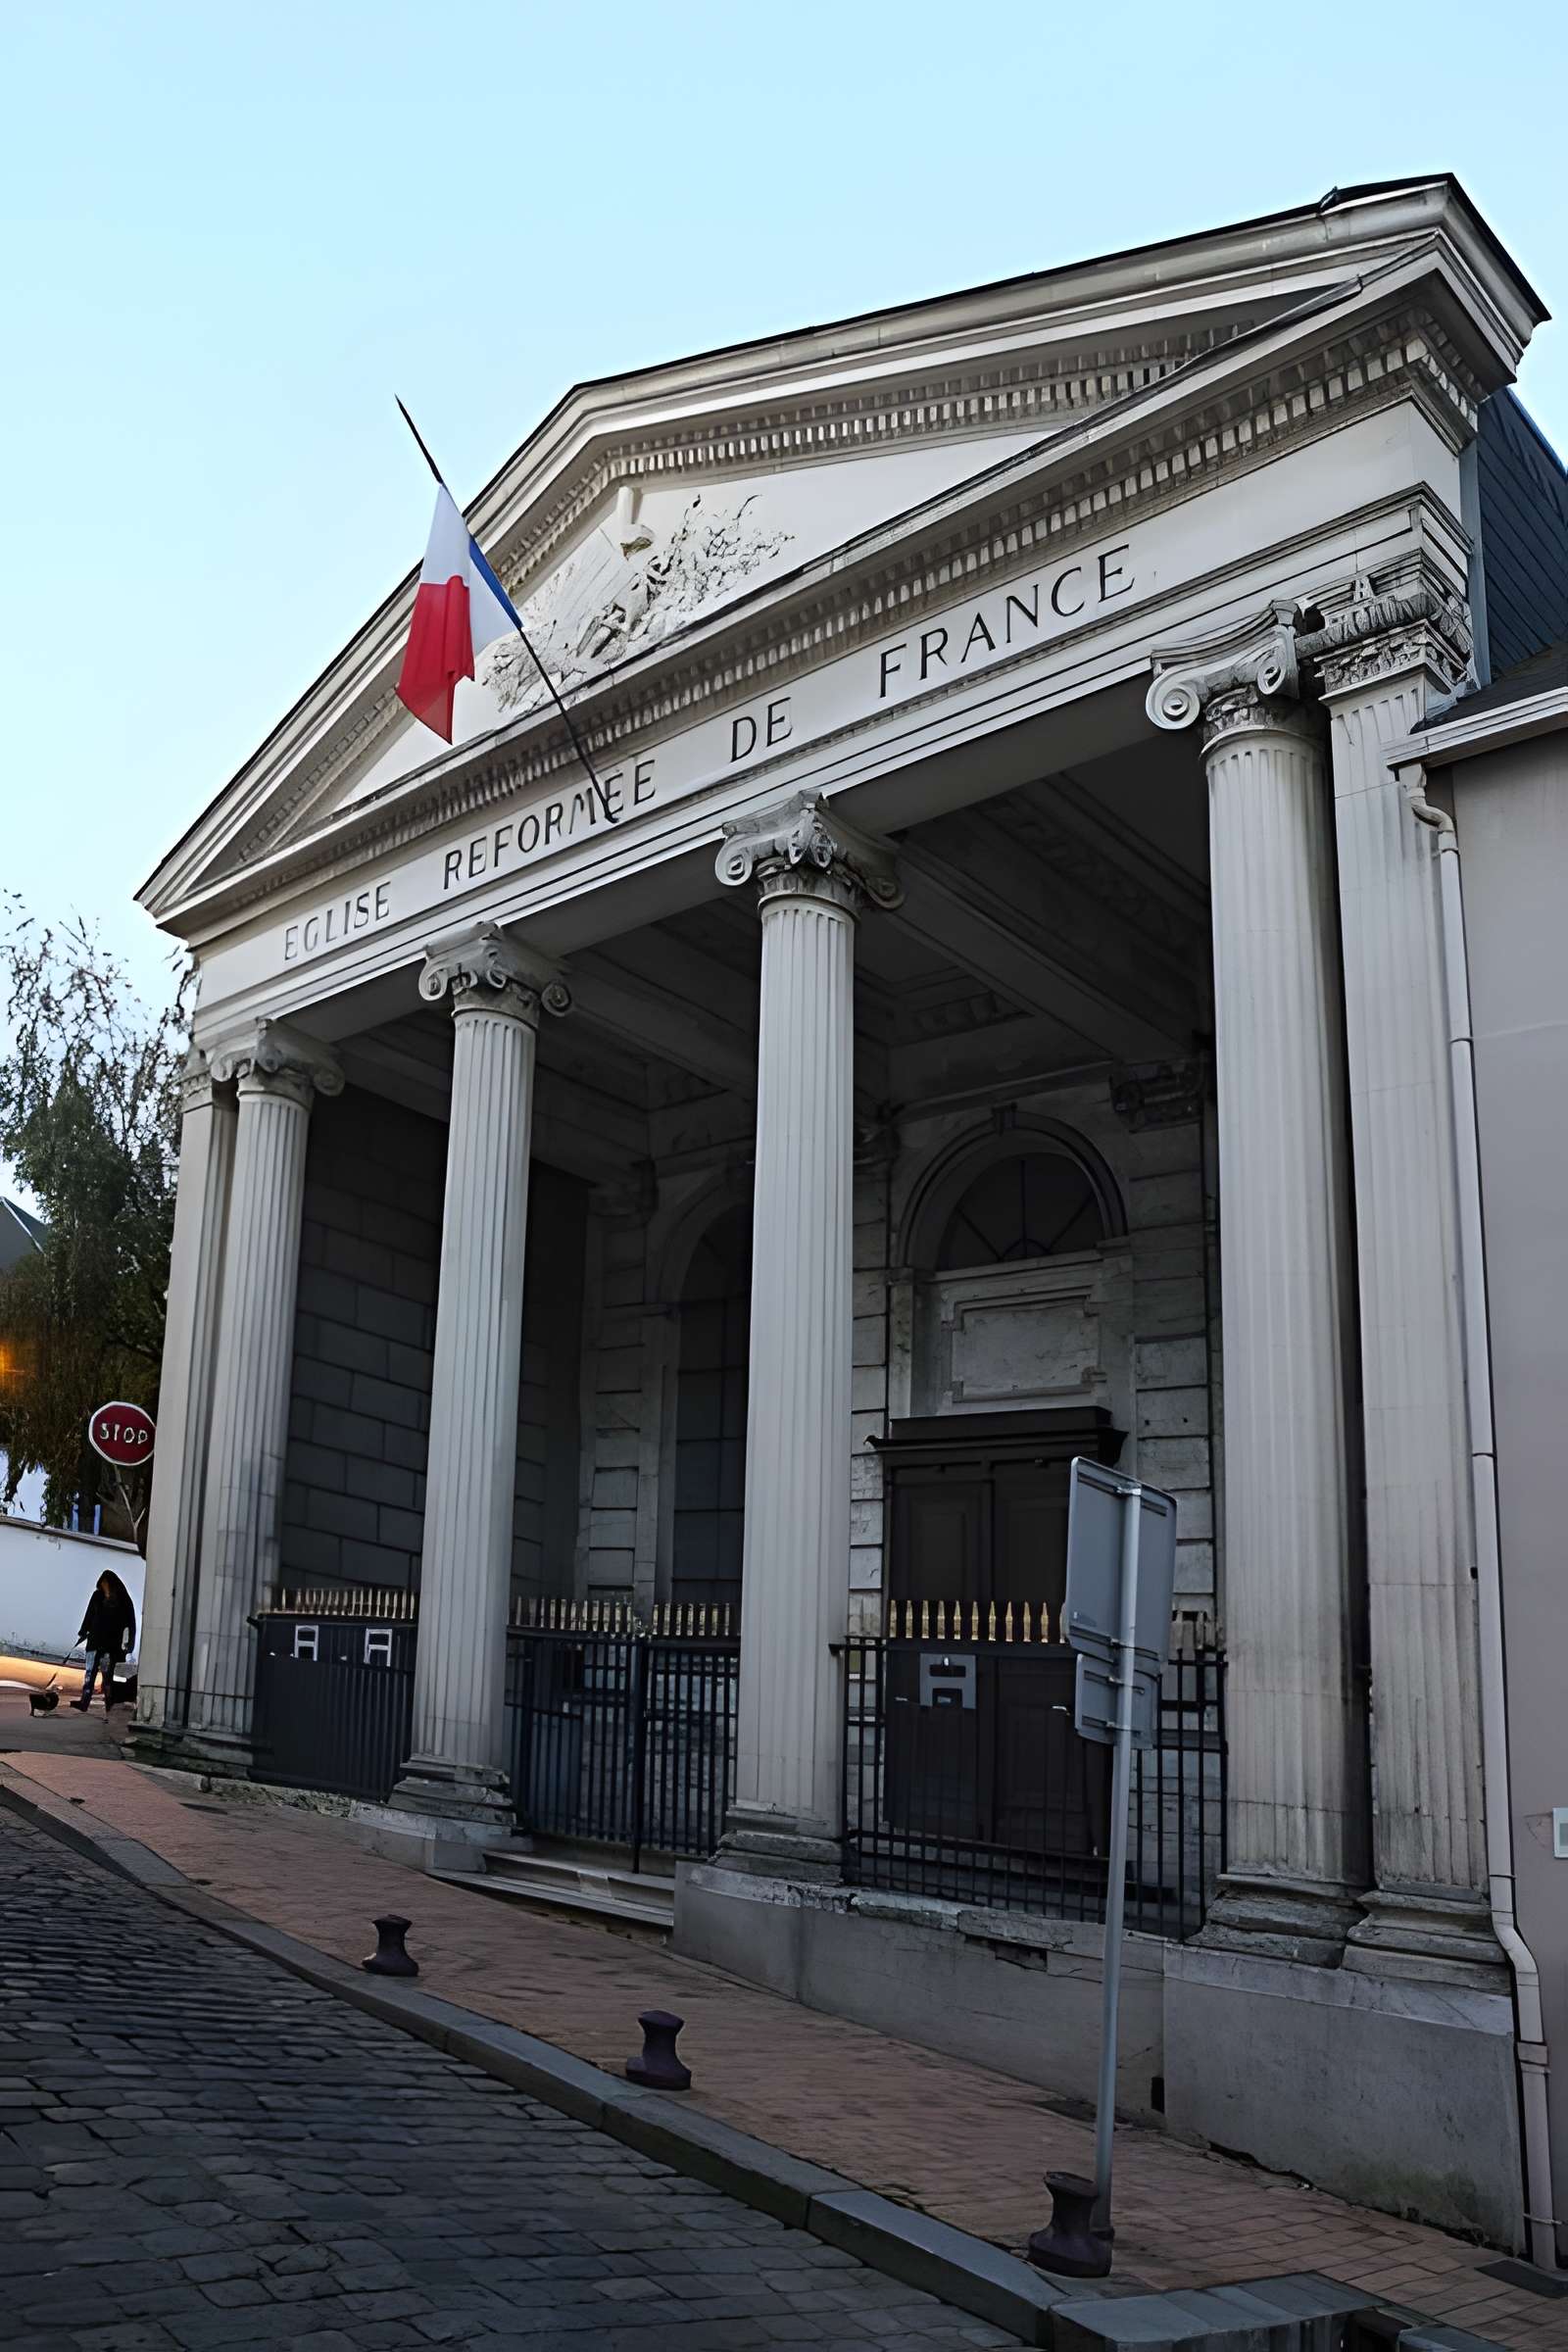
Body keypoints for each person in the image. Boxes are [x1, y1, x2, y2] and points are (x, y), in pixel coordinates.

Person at [72, 1570, 136, 1713]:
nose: (104, 1587)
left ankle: (109, 1703)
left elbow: (130, 1623)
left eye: (106, 1584)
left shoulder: (123, 1600)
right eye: (102, 1584)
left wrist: (129, 1644)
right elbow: (90, 1614)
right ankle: (84, 1701)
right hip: (95, 1642)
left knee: (107, 1677)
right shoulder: (97, 1596)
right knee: (89, 1674)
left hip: (111, 1646)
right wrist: (84, 1630)